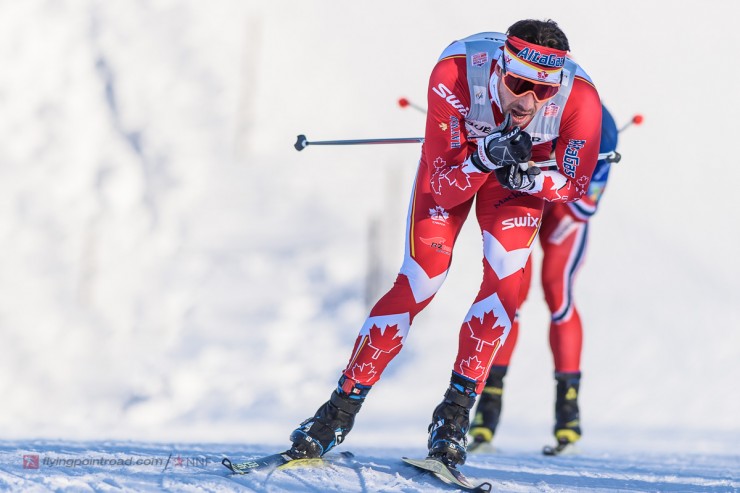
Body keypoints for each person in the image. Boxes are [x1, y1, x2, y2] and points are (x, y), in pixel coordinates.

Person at [287, 19, 602, 467]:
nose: (528, 100)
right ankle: (336, 413)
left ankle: (453, 419)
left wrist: (532, 177)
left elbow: (573, 185)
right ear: (497, 69)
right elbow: (447, 186)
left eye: (543, 91)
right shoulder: (456, 71)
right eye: (517, 84)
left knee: (505, 285)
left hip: (517, 178)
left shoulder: (581, 98)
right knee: (421, 279)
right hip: (457, 163)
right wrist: (482, 157)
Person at [468, 105, 619, 455]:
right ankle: (487, 411)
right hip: (527, 192)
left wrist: (543, 177)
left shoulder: (602, 131)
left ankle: (568, 413)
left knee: (557, 289)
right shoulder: (522, 105)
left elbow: (585, 207)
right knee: (511, 292)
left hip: (566, 205)